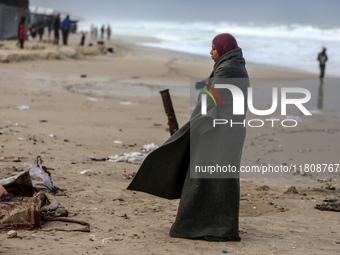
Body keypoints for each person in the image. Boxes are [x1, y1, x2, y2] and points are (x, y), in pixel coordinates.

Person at [127, 33, 249, 241]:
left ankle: (212, 227)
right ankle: (219, 227)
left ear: (224, 48)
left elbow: (211, 100)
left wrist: (195, 123)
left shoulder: (228, 69)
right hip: (224, 131)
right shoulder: (233, 65)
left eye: (213, 48)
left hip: (219, 133)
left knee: (208, 178)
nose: (210, 52)